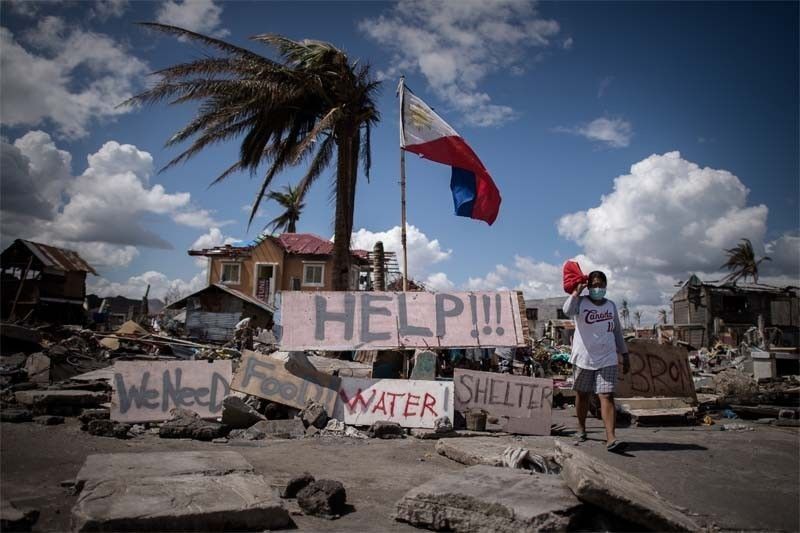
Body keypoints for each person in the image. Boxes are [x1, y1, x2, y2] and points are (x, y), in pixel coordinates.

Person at [563, 270, 630, 453]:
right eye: (594, 285)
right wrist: (577, 292)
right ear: (589, 286)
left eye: (601, 285)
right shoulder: (581, 303)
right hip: (583, 358)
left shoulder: (611, 306)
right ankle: (581, 427)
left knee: (607, 395)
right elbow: (567, 310)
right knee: (582, 394)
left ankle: (611, 438)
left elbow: (617, 331)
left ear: (606, 286)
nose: (598, 288)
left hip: (607, 357)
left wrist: (624, 354)